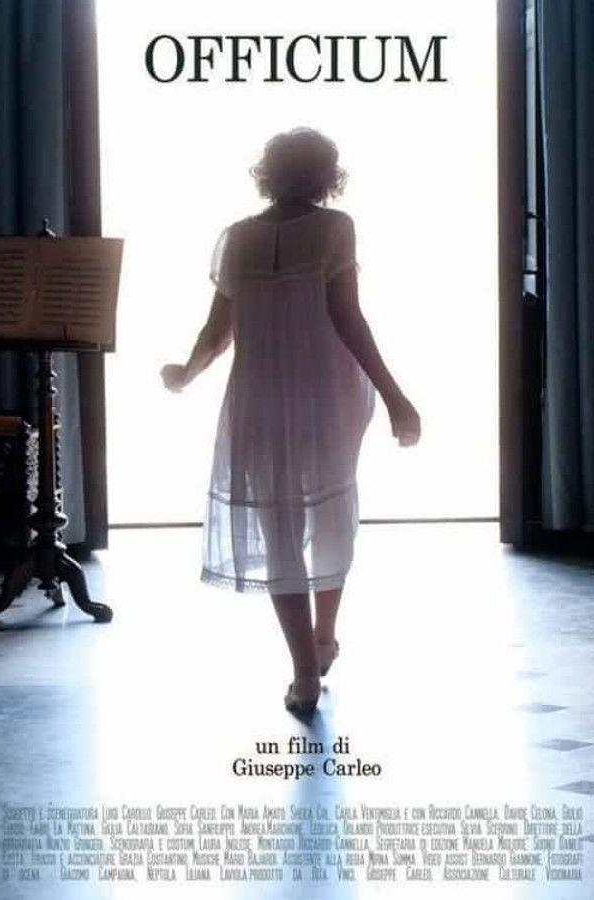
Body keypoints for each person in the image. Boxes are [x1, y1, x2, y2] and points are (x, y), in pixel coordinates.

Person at [161, 127, 420, 718]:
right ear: (328, 176)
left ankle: (307, 667)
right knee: (329, 516)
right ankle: (321, 643)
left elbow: (217, 331)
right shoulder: (334, 228)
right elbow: (348, 318)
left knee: (280, 528)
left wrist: (185, 373)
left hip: (261, 397)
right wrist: (396, 397)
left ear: (267, 173)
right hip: (326, 393)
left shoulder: (238, 237)